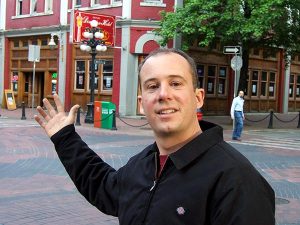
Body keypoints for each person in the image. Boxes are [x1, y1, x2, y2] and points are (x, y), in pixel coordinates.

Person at [34, 48, 275, 225]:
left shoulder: (237, 180)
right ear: (142, 103)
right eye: (152, 86)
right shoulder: (143, 164)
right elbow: (104, 188)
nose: (163, 94)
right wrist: (65, 138)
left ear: (198, 97)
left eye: (176, 83)